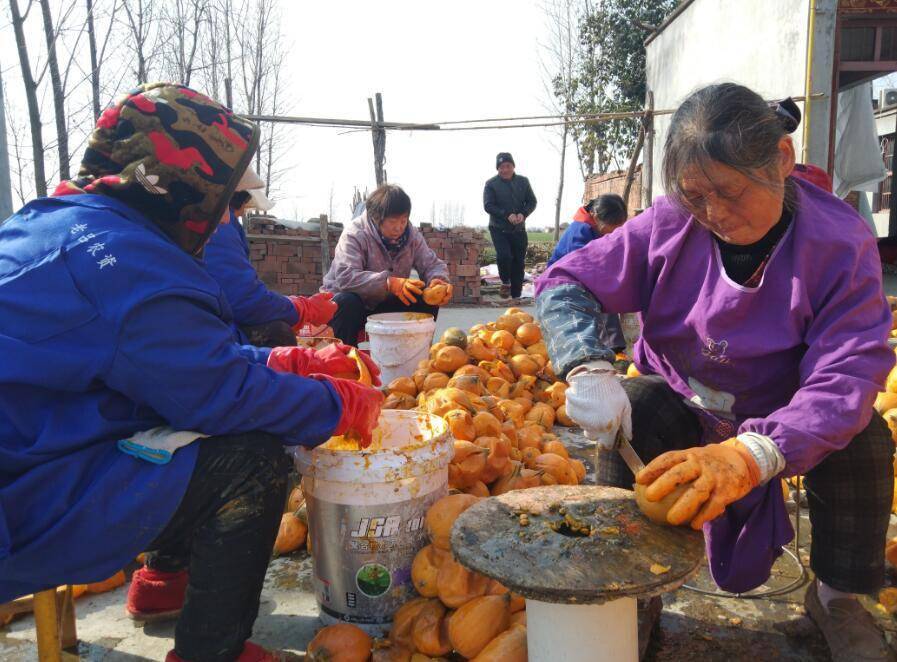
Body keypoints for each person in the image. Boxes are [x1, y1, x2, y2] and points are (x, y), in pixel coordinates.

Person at [0, 83, 384, 662]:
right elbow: (218, 394)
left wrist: (287, 360)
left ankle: (162, 585)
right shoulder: (129, 262)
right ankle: (212, 652)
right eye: (223, 194)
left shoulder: (53, 220)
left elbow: (168, 361)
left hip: (39, 439)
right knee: (250, 459)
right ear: (188, 188)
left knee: (180, 429)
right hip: (23, 499)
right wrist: (336, 404)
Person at [536, 83, 894, 662]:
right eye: (696, 196)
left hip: (786, 415)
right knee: (637, 410)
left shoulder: (838, 240)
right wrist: (586, 363)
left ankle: (836, 599)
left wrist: (755, 454)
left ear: (781, 159)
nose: (716, 215)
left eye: (730, 191)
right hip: (683, 398)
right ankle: (632, 588)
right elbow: (566, 281)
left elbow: (848, 370)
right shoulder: (669, 224)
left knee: (865, 440)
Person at [203, 167, 337, 348]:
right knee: (276, 333)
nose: (233, 217)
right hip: (205, 336)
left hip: (202, 331)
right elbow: (245, 300)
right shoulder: (219, 227)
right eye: (242, 210)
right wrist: (303, 309)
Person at [323, 184, 453, 346]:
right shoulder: (355, 234)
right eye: (393, 221)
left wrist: (438, 280)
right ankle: (344, 361)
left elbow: (431, 264)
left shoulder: (411, 235)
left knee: (424, 297)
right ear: (376, 218)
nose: (399, 227)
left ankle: (417, 357)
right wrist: (388, 283)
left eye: (403, 220)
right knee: (346, 301)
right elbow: (346, 277)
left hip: (384, 302)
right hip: (351, 304)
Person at [546, 194, 628, 353]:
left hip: (581, 276)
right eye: (613, 225)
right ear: (596, 216)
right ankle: (614, 347)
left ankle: (610, 343)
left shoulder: (596, 228)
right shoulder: (580, 230)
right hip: (561, 281)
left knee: (609, 291)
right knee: (603, 296)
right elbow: (582, 266)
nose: (615, 230)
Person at [483, 152, 537, 299]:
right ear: (497, 169)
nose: (505, 170)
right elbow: (488, 205)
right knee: (505, 256)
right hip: (498, 228)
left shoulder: (523, 182)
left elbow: (532, 202)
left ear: (513, 166)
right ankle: (505, 281)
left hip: (519, 229)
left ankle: (516, 297)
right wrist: (507, 214)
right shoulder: (491, 184)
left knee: (519, 263)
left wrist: (523, 214)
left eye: (508, 166)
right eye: (501, 167)